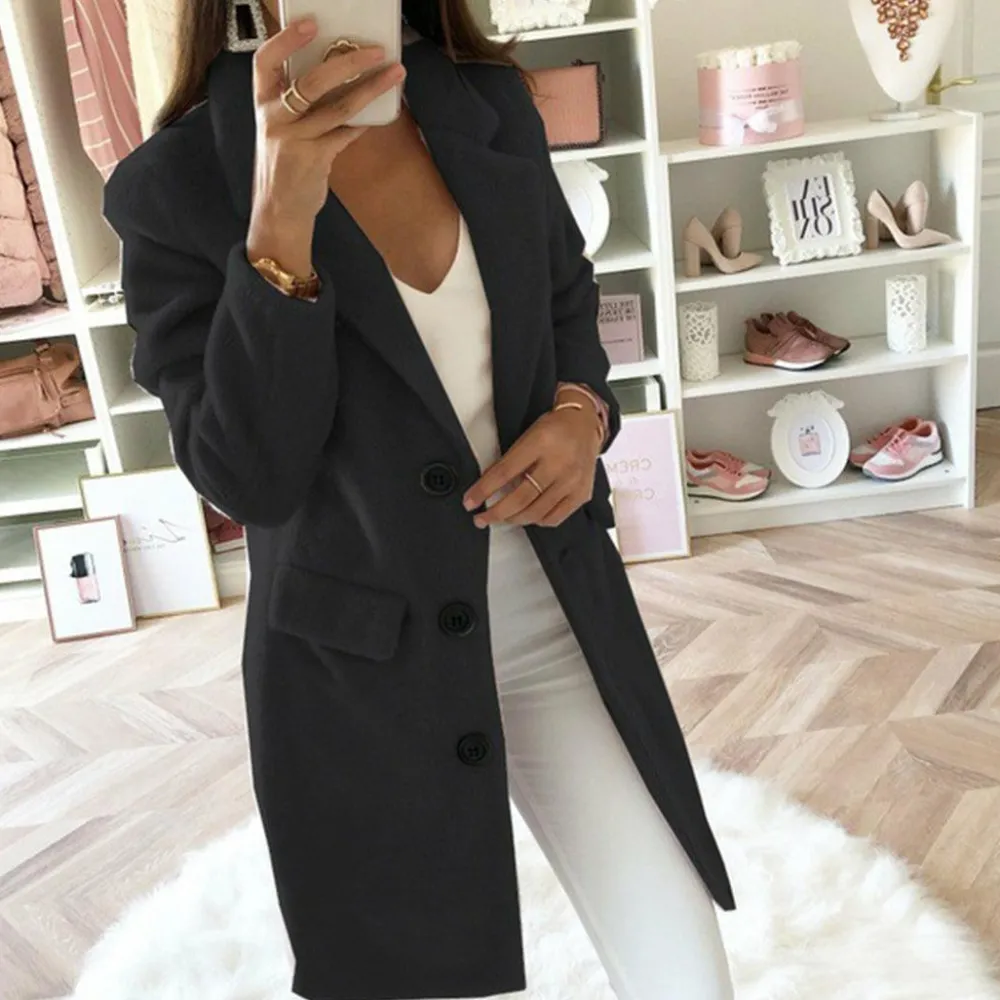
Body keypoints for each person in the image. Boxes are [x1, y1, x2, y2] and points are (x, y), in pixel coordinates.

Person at [102, 2, 736, 998]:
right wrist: (280, 215)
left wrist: (581, 413)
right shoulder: (174, 182)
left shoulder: (487, 105)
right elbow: (247, 476)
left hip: (556, 613)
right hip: (364, 673)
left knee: (684, 967)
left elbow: (566, 297)